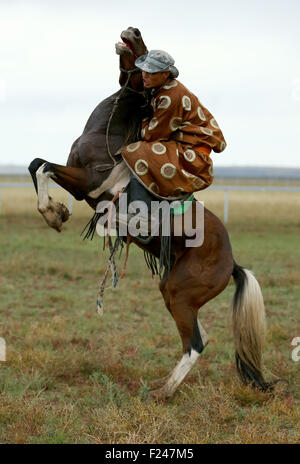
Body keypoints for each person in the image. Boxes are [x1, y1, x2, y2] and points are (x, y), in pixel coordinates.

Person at [120, 49, 227, 236]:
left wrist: (144, 121)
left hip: (193, 156)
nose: (144, 75)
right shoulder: (162, 89)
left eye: (151, 72)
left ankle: (143, 216)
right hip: (183, 146)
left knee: (136, 151)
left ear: (165, 74)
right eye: (144, 70)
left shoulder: (172, 96)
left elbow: (152, 135)